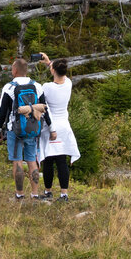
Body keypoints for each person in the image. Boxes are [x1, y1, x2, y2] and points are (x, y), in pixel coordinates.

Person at [0, 57, 48, 201]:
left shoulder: (9, 87)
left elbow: (2, 111)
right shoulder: (37, 86)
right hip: (33, 128)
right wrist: (50, 127)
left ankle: (19, 195)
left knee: (17, 161)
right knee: (32, 160)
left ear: (15, 70)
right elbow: (44, 108)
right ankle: (35, 194)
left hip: (15, 130)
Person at [36, 53, 79, 201]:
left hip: (50, 126)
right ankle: (64, 194)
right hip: (64, 127)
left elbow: (43, 106)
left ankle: (48, 191)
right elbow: (61, 75)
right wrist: (49, 62)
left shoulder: (46, 87)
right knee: (62, 161)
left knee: (48, 160)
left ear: (53, 70)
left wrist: (49, 64)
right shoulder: (68, 84)